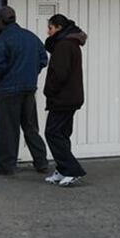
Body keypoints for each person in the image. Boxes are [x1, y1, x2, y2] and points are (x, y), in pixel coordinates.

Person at [0, 5, 50, 175]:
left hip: (9, 90)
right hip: (29, 89)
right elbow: (44, 59)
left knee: (7, 129)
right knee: (30, 127)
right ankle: (41, 162)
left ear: (0, 21)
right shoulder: (31, 37)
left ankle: (5, 165)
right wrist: (31, 73)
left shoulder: (2, 41)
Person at [42, 13, 87, 187]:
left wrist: (49, 92)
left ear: (59, 28)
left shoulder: (63, 46)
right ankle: (62, 170)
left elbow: (58, 74)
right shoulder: (72, 44)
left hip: (62, 98)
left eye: (50, 28)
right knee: (62, 134)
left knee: (52, 133)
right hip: (71, 97)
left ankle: (72, 169)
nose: (48, 32)